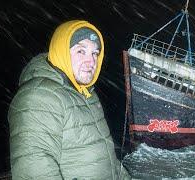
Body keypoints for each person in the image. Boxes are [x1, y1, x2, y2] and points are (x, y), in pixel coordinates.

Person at [8, 20, 131, 179]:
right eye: (81, 51)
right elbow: (34, 170)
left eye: (95, 53)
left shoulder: (86, 93)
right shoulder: (39, 96)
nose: (91, 61)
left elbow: (107, 158)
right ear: (61, 51)